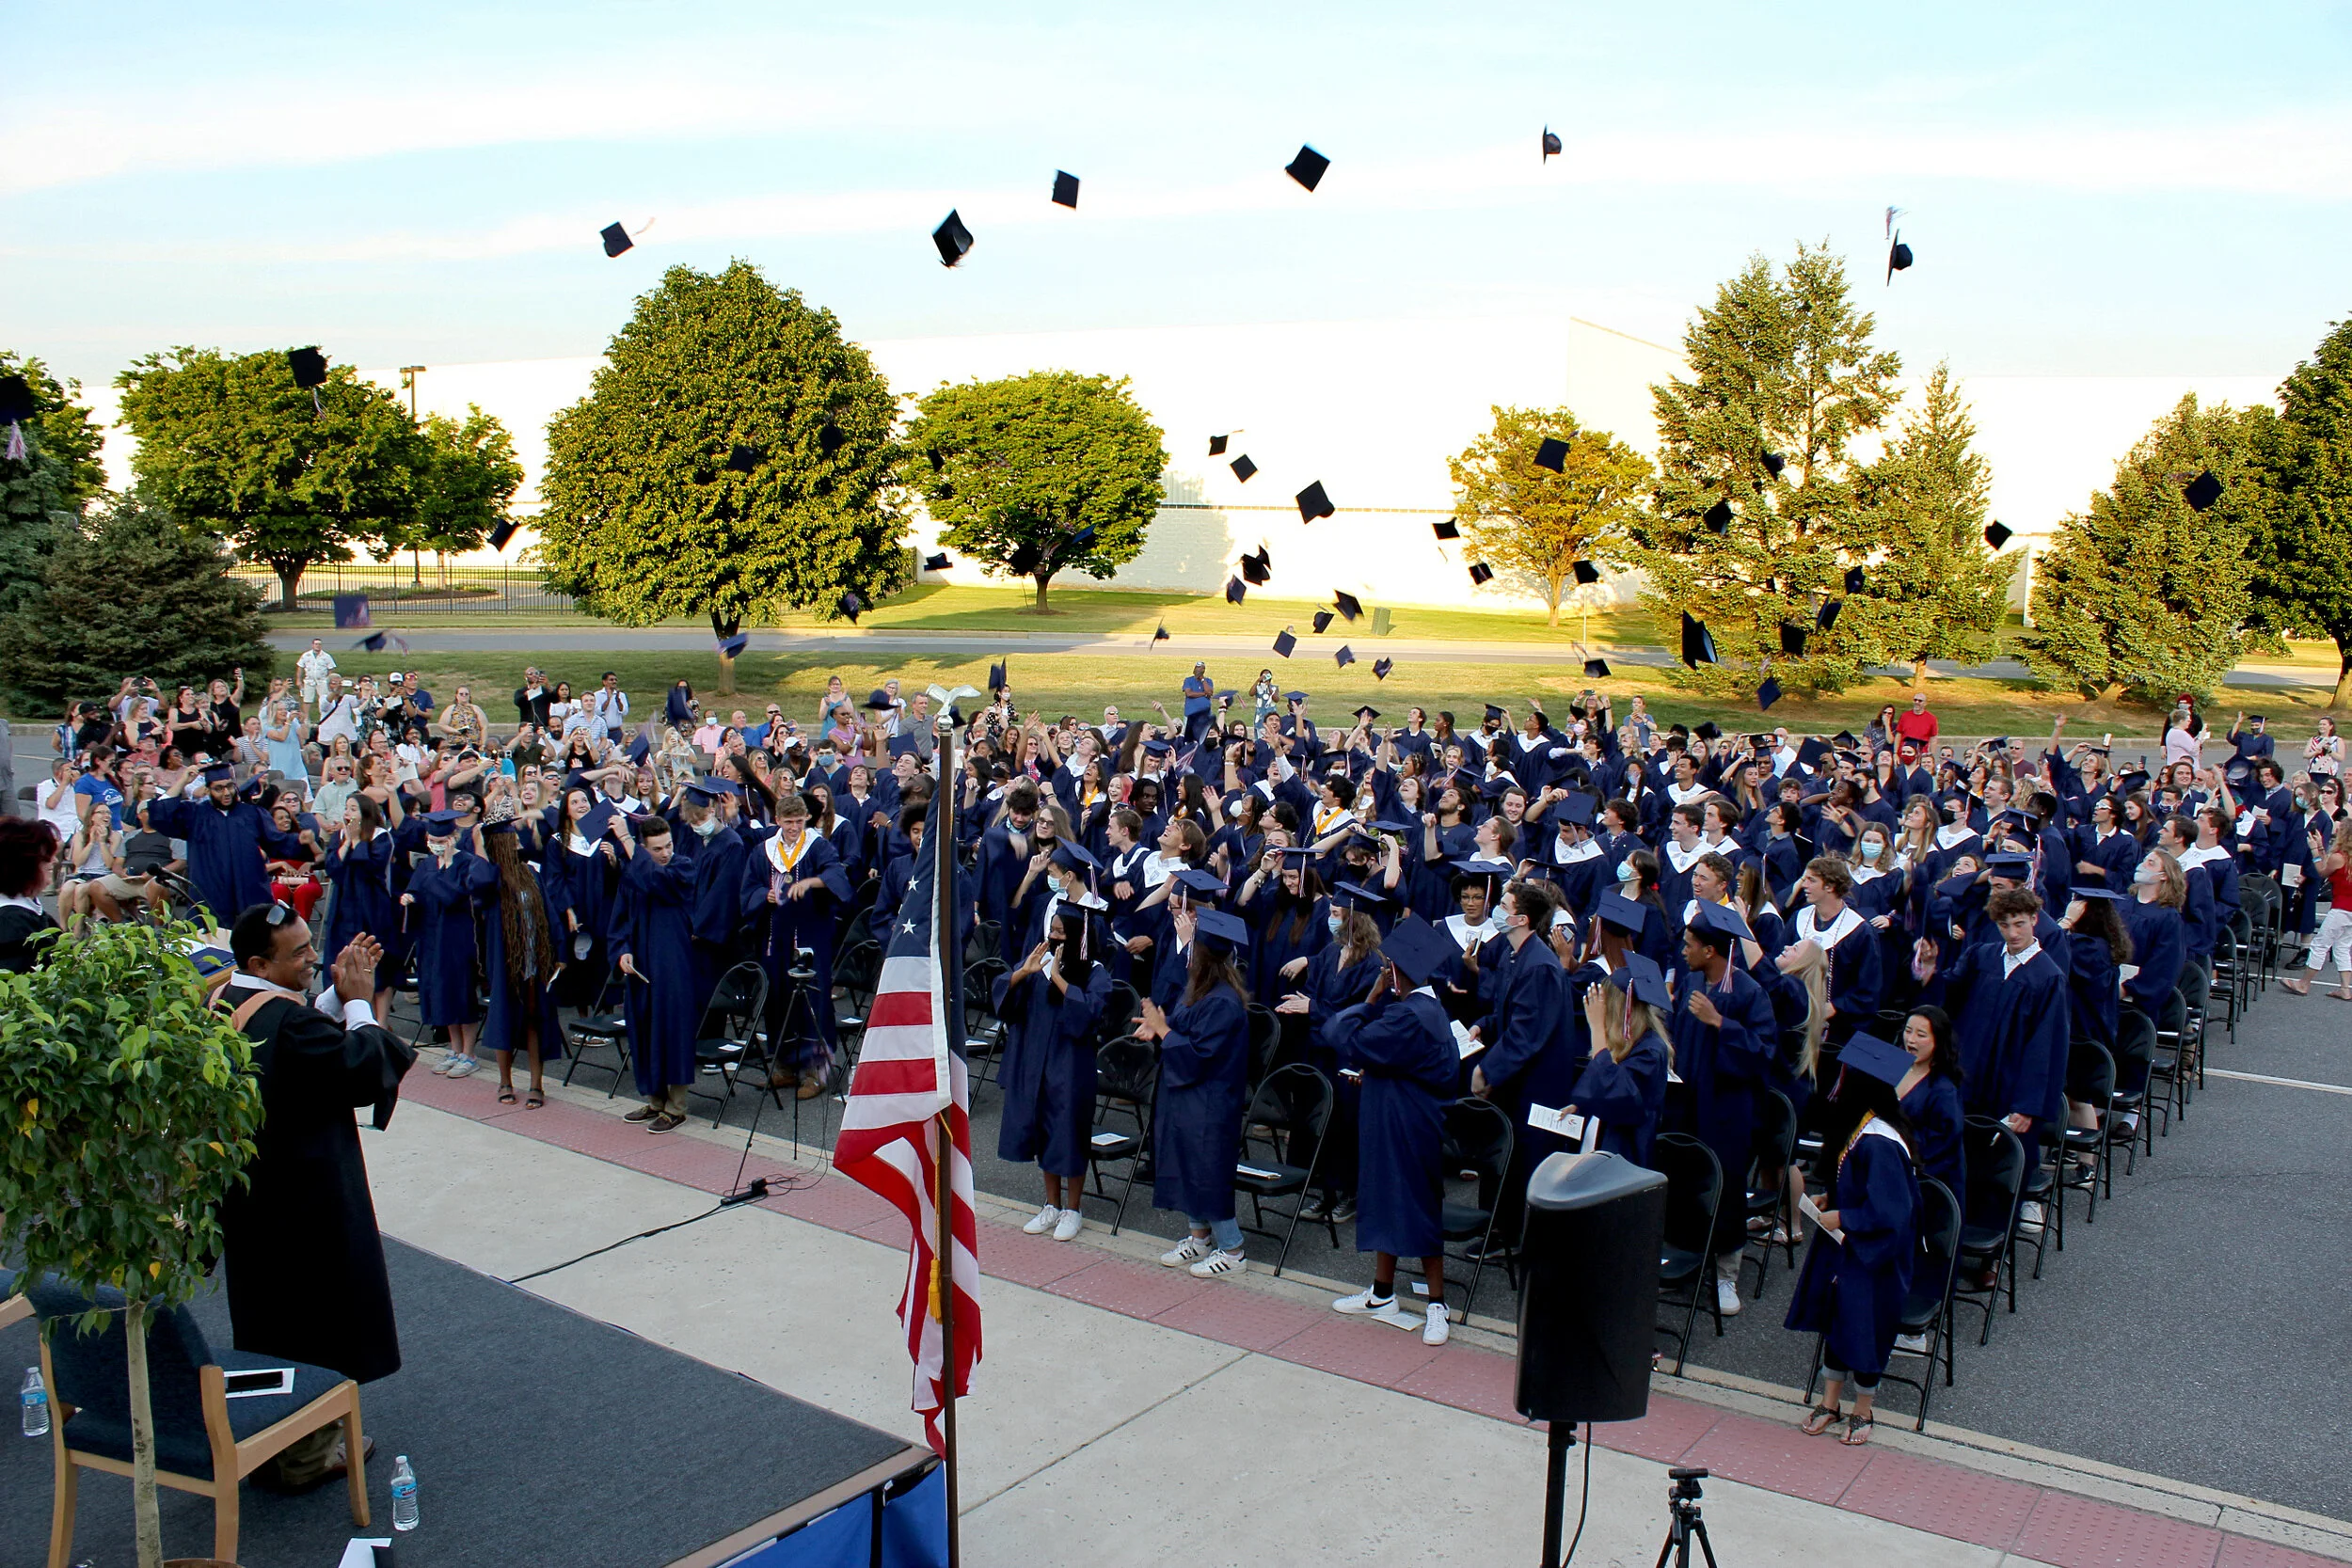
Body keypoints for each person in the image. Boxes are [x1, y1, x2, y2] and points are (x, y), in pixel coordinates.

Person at [215, 901, 416, 1488]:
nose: (313, 959)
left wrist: (330, 994)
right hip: (309, 1197)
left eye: (311, 944)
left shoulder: (225, 998)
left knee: (271, 1317)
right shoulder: (291, 1025)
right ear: (260, 960)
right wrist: (357, 1001)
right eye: (299, 953)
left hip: (257, 1195)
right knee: (320, 1319)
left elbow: (293, 1035)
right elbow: (359, 1068)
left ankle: (269, 1433)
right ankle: (309, 1452)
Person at [1325, 915, 1459, 1346]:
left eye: (1388, 968)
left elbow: (1339, 1032)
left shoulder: (1410, 1016)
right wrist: (1380, 1076)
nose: (1385, 973)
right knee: (1384, 1199)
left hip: (1409, 1124)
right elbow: (1402, 1064)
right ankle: (1383, 1293)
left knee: (1417, 1207)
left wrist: (1371, 996)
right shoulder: (1425, 1009)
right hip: (1394, 1115)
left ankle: (1437, 1303)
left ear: (1399, 971)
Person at [1786, 1032, 1921, 1449]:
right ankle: (1830, 1403)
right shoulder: (1863, 1128)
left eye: (1846, 1078)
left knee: (1865, 1329)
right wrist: (1834, 1197)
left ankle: (1863, 1408)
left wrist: (1842, 1214)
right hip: (1849, 1248)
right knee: (1837, 1322)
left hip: (1874, 1255)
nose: (1837, 1086)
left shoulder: (1880, 1142)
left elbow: (1892, 1212)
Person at [1666, 898, 1780, 1317]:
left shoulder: (1749, 994)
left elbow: (1764, 1053)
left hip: (1728, 1112)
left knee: (1727, 1189)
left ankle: (1726, 1270)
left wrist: (1720, 1023)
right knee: (1685, 1181)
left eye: (1690, 944)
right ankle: (1689, 1255)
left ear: (1710, 951)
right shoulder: (1694, 985)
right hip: (1689, 1104)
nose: (1683, 950)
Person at [1137, 906, 1254, 1278]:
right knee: (1187, 1163)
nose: (1187, 956)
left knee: (1207, 1171)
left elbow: (1199, 1054)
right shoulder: (1199, 992)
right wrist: (1159, 1026)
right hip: (1188, 1096)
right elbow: (1182, 1027)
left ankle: (1233, 1249)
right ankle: (1200, 1237)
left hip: (1211, 1100)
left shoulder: (1223, 1002)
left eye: (1192, 950)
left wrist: (1164, 1030)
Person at [996, 899, 1113, 1242]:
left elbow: (1090, 1013)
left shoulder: (1095, 971)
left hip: (1071, 1065)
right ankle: (1051, 1204)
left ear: (1078, 936)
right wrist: (1024, 972)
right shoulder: (1040, 964)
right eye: (1052, 930)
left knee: (1068, 1132)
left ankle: (1073, 1210)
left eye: (1062, 932)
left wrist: (1059, 979)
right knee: (1043, 1129)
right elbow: (1007, 999)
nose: (1054, 937)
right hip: (1035, 1061)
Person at [741, 788, 850, 1098]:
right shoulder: (764, 851)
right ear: (776, 820)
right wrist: (764, 896)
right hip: (776, 937)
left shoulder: (817, 847)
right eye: (788, 822)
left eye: (799, 821)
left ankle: (815, 1072)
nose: (793, 827)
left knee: (812, 1002)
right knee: (778, 1000)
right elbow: (747, 887)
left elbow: (837, 878)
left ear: (806, 819)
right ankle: (785, 1066)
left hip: (810, 936)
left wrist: (811, 882)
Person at [611, 812, 701, 1132]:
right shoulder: (633, 875)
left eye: (668, 846)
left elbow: (656, 881)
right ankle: (655, 1101)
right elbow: (619, 922)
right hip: (642, 970)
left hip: (673, 968)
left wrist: (625, 841)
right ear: (644, 848)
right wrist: (622, 952)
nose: (665, 853)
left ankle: (676, 1107)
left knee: (672, 1032)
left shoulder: (682, 868)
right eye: (657, 849)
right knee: (645, 1031)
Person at [478, 798, 568, 1108]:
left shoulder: (531, 872)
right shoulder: (492, 880)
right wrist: (480, 839)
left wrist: (560, 952)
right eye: (511, 836)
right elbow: (478, 882)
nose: (518, 838)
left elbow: (549, 912)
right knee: (504, 1019)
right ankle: (505, 1080)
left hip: (535, 959)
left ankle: (536, 1084)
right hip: (505, 963)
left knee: (535, 1019)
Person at [139, 762, 306, 926]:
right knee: (214, 944)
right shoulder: (195, 815)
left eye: (229, 786)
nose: (226, 793)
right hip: (211, 892)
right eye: (218, 788)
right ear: (208, 790)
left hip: (249, 890)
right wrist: (183, 781)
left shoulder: (252, 814)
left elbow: (277, 841)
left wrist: (306, 845)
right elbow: (160, 815)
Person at [402, 809, 495, 1077]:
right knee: (441, 992)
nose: (436, 844)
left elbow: (455, 895)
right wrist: (409, 897)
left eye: (441, 840)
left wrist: (444, 865)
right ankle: (454, 1049)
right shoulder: (427, 865)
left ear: (454, 837)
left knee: (461, 992)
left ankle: (469, 1053)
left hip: (458, 936)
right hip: (431, 936)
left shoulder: (465, 863)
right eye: (432, 839)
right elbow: (415, 888)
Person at [1566, 953, 1674, 1166]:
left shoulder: (1651, 1052)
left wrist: (1596, 1029)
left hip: (1624, 1154)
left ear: (1620, 1010)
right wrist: (1581, 1106)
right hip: (1601, 1143)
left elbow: (1615, 1093)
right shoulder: (1628, 1040)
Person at [1893, 1006, 1966, 1198]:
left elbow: (1941, 1145)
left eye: (1921, 1035)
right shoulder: (1892, 1065)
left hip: (1921, 1181)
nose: (1911, 1040)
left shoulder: (1943, 1091)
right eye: (1908, 1031)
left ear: (1937, 1041)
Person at [0, 818, 63, 972]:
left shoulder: (26, 911)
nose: (54, 861)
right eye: (46, 856)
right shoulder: (11, 922)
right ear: (23, 865)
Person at [296, 638, 338, 721]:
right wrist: (298, 680)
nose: (318, 646)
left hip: (322, 681)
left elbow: (331, 669)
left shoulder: (326, 656)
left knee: (324, 699)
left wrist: (330, 681)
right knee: (307, 699)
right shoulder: (306, 655)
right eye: (316, 644)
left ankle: (324, 717)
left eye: (319, 644)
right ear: (312, 645)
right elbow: (300, 667)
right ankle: (306, 718)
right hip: (309, 680)